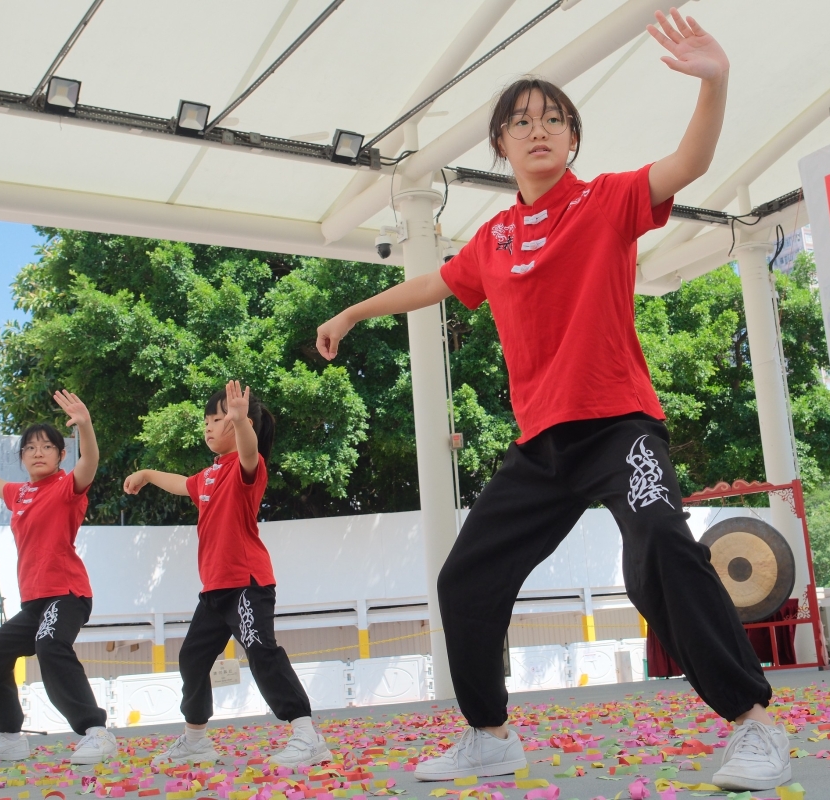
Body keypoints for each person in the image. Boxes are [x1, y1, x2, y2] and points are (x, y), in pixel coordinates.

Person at [314, 9, 790, 793]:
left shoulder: (606, 201)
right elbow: (432, 284)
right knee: (465, 579)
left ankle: (754, 724)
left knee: (660, 547)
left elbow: (690, 161)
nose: (538, 130)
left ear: (572, 139)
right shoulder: (494, 240)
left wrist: (715, 80)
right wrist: (352, 312)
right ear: (500, 145)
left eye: (554, 119)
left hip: (620, 429)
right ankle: (489, 736)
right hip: (542, 448)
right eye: (521, 122)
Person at [124, 381, 331, 768]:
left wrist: (239, 421)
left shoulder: (247, 468)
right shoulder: (207, 475)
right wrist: (148, 474)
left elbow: (249, 450)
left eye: (218, 419)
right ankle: (196, 742)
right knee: (192, 658)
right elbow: (181, 484)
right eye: (207, 419)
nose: (209, 425)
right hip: (214, 591)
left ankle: (307, 736)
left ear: (241, 424)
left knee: (261, 651)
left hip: (247, 584)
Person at [0, 390, 117, 765]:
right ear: (21, 457)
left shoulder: (67, 487)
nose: (38, 452)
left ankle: (96, 732)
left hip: (66, 594)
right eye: (30, 448)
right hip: (34, 602)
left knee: (50, 645)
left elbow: (90, 461)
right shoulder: (19, 494)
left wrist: (84, 425)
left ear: (60, 455)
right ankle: (9, 738)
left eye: (47, 446)